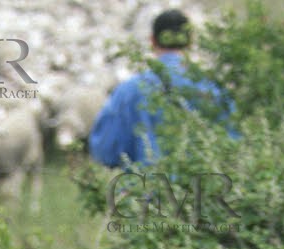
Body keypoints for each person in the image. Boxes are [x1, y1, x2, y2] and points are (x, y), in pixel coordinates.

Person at [89, 8, 237, 169]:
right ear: (190, 41)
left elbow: (105, 151)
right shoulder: (212, 89)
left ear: (152, 41)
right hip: (204, 188)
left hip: (145, 188)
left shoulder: (128, 91)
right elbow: (233, 145)